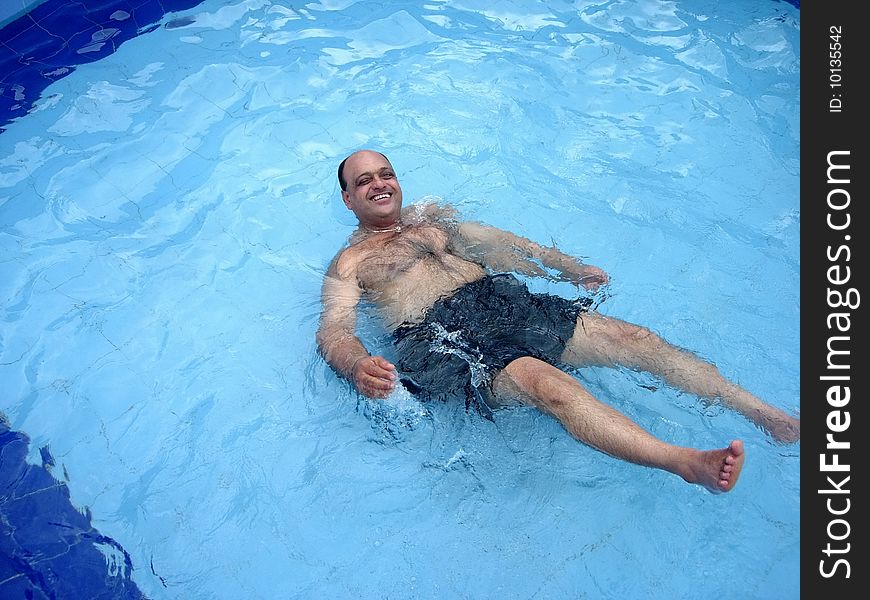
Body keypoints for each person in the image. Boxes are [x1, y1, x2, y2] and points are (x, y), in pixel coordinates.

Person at [316, 150, 800, 493]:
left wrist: (566, 266)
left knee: (638, 339)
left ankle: (769, 416)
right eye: (363, 181)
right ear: (347, 199)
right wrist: (357, 365)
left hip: (502, 303)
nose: (379, 184)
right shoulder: (350, 263)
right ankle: (685, 463)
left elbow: (500, 244)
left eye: (386, 174)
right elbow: (334, 331)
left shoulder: (433, 221)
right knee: (551, 387)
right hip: (445, 340)